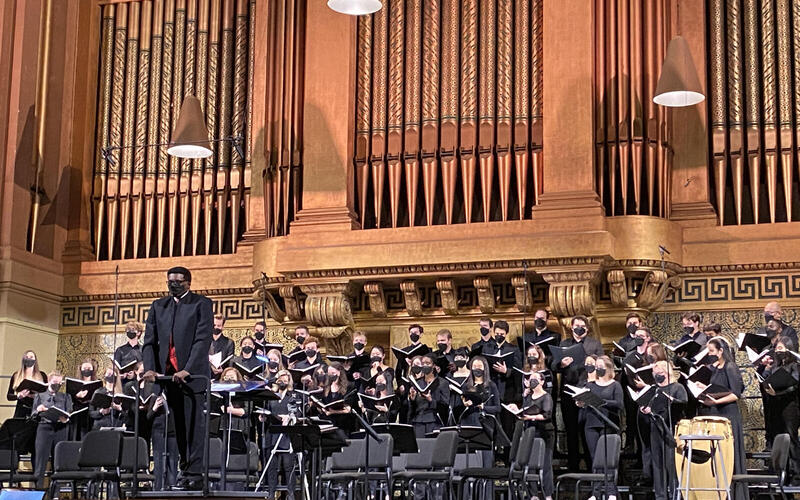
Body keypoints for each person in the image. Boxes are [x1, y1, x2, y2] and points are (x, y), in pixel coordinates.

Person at [142, 266, 213, 488]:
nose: (173, 284)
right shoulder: (158, 306)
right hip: (168, 377)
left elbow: (202, 339)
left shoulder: (201, 303)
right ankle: (186, 472)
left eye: (178, 281)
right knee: (179, 427)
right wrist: (151, 368)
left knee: (194, 427)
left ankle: (195, 475)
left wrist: (188, 369)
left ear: (188, 283)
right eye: (170, 281)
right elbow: (149, 341)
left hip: (192, 377)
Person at [694, 337, 747, 499]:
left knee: (729, 452)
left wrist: (717, 400)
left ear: (721, 351)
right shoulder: (714, 368)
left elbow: (735, 394)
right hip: (715, 412)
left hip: (728, 413)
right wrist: (703, 388)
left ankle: (735, 493)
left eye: (711, 351)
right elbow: (717, 387)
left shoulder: (730, 367)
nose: (709, 354)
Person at [551, 315, 604, 471]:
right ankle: (573, 465)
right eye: (576, 325)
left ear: (587, 329)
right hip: (568, 390)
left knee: (587, 430)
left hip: (587, 389)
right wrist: (562, 363)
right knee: (571, 430)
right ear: (571, 327)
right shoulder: (565, 343)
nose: (579, 328)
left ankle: (590, 466)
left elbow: (602, 363)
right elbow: (554, 365)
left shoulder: (594, 344)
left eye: (582, 326)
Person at [640, 360, 687, 500]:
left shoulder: (677, 387)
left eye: (660, 373)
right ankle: (660, 496)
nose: (657, 376)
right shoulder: (652, 390)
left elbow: (683, 403)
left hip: (671, 429)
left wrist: (670, 399)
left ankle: (675, 495)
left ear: (667, 372)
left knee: (671, 464)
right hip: (655, 429)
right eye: (655, 373)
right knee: (657, 464)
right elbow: (645, 405)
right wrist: (645, 409)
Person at [577, 355, 623, 500]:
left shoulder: (615, 385)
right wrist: (581, 403)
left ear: (608, 368)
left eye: (600, 366)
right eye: (596, 366)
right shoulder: (590, 385)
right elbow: (585, 403)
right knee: (595, 458)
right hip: (591, 425)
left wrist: (601, 401)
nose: (597, 369)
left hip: (607, 424)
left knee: (608, 459)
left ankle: (611, 491)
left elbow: (619, 404)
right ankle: (595, 492)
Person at [760, 336, 800, 476]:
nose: (777, 351)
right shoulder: (775, 366)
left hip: (790, 407)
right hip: (775, 406)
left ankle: (795, 474)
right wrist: (766, 368)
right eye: (776, 348)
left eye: (781, 348)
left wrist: (777, 393)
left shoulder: (795, 365)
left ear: (788, 349)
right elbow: (765, 379)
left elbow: (795, 385)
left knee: (791, 439)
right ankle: (779, 473)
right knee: (777, 437)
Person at [31, 371, 71, 488]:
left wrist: (66, 419)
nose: (57, 385)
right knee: (40, 463)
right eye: (55, 382)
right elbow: (33, 415)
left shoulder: (65, 397)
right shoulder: (40, 395)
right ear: (49, 381)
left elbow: (69, 412)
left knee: (58, 463)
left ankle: (56, 493)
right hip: (44, 428)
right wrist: (39, 410)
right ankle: (38, 491)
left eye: (59, 383)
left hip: (60, 429)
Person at [263, 370, 299, 500]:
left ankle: (290, 494)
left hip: (286, 435)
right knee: (271, 466)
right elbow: (266, 412)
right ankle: (271, 493)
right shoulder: (271, 396)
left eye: (286, 378)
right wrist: (263, 417)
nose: (283, 381)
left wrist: (289, 417)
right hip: (272, 433)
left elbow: (297, 414)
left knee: (288, 466)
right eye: (280, 378)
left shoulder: (293, 396)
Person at [520, 370, 555, 500]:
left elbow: (547, 415)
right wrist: (524, 396)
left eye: (535, 378)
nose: (532, 381)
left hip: (544, 432)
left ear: (542, 381)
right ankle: (533, 494)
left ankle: (548, 495)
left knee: (546, 464)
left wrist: (532, 417)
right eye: (530, 379)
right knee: (531, 464)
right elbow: (523, 412)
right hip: (531, 432)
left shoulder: (546, 396)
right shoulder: (528, 397)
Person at [621, 326, 652, 468]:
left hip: (650, 394)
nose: (639, 338)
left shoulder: (651, 354)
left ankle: (650, 463)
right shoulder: (629, 356)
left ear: (648, 338)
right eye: (637, 336)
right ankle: (640, 460)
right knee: (635, 427)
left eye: (642, 336)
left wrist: (645, 385)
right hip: (634, 395)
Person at [408, 354, 449, 437]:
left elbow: (445, 405)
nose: (425, 366)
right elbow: (412, 408)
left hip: (434, 420)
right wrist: (412, 399)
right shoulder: (417, 383)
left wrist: (431, 400)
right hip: (418, 421)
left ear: (433, 365)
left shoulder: (442, 383)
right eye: (423, 364)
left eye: (428, 363)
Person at [218, 367, 250, 456]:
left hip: (240, 425)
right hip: (224, 425)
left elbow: (246, 411)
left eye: (232, 377)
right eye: (226, 377)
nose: (229, 379)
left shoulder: (244, 391)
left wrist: (230, 410)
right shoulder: (220, 392)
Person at [6, 350, 48, 418]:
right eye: (27, 357)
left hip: (37, 408)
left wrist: (37, 395)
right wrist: (18, 396)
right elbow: (9, 396)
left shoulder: (42, 375)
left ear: (35, 360)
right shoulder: (16, 375)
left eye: (31, 357)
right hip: (21, 408)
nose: (29, 359)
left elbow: (47, 394)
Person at [69, 358, 98, 439]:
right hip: (78, 413)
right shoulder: (75, 382)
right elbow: (69, 398)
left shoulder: (97, 382)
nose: (86, 370)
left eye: (89, 369)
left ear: (93, 370)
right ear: (80, 369)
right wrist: (77, 396)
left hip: (91, 412)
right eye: (84, 368)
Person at [209, 314, 235, 380]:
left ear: (223, 327)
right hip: (206, 376)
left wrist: (223, 370)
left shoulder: (229, 342)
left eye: (219, 326)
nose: (216, 327)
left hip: (222, 378)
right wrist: (210, 366)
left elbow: (230, 362)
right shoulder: (204, 341)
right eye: (214, 325)